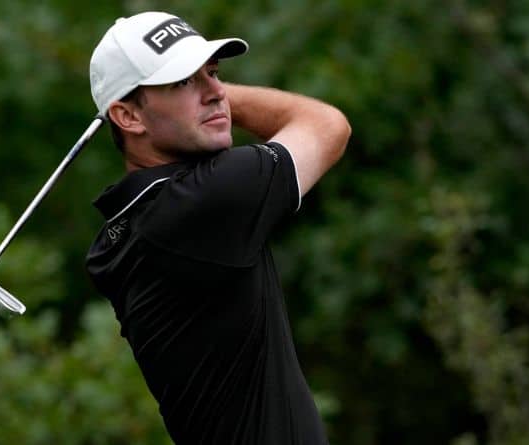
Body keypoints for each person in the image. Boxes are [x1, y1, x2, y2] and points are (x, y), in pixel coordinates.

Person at [85, 11, 350, 445]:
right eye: (183, 81)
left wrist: (197, 95)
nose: (217, 92)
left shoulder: (131, 223)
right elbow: (327, 126)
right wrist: (228, 101)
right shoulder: (205, 201)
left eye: (214, 73)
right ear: (128, 117)